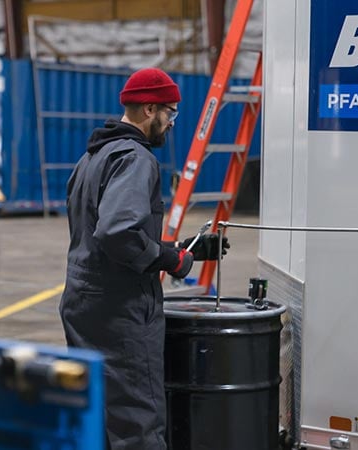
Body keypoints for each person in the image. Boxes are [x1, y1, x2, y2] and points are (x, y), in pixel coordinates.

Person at [59, 67, 229, 450]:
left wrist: (178, 248)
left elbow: (98, 231)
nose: (171, 124)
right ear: (150, 109)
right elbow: (118, 232)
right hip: (122, 313)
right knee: (136, 422)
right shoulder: (135, 158)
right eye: (170, 113)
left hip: (84, 304)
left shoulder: (92, 157)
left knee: (99, 419)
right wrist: (169, 260)